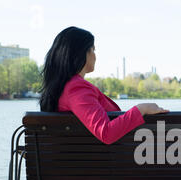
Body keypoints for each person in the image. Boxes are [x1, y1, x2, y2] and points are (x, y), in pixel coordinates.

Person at [39, 26, 169, 144]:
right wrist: (142, 109)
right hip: (101, 167)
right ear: (81, 53)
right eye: (93, 50)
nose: (95, 56)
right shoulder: (76, 88)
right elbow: (106, 133)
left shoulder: (64, 88)